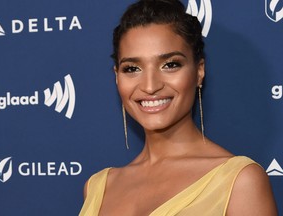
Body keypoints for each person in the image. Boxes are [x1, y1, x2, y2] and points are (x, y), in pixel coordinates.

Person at [79, 0, 278, 215]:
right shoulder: (97, 187)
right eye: (132, 68)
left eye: (170, 64)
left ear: (199, 71)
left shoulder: (239, 182)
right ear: (117, 76)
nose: (150, 86)